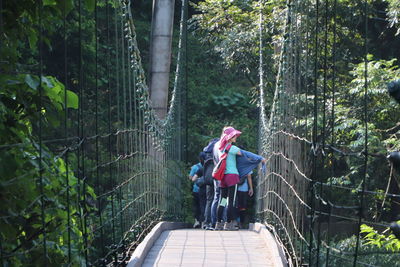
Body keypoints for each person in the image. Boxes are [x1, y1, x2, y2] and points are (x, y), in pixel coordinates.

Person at [215, 127, 243, 231]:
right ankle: (229, 223)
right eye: (234, 135)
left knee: (222, 201)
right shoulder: (232, 148)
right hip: (232, 176)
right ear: (230, 137)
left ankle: (218, 223)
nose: (236, 137)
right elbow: (242, 154)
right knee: (231, 201)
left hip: (223, 178)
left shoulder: (221, 148)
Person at [189, 153, 206, 228]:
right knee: (204, 205)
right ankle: (204, 221)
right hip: (206, 189)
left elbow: (191, 178)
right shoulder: (210, 167)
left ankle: (197, 221)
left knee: (196, 206)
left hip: (196, 190)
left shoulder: (195, 167)